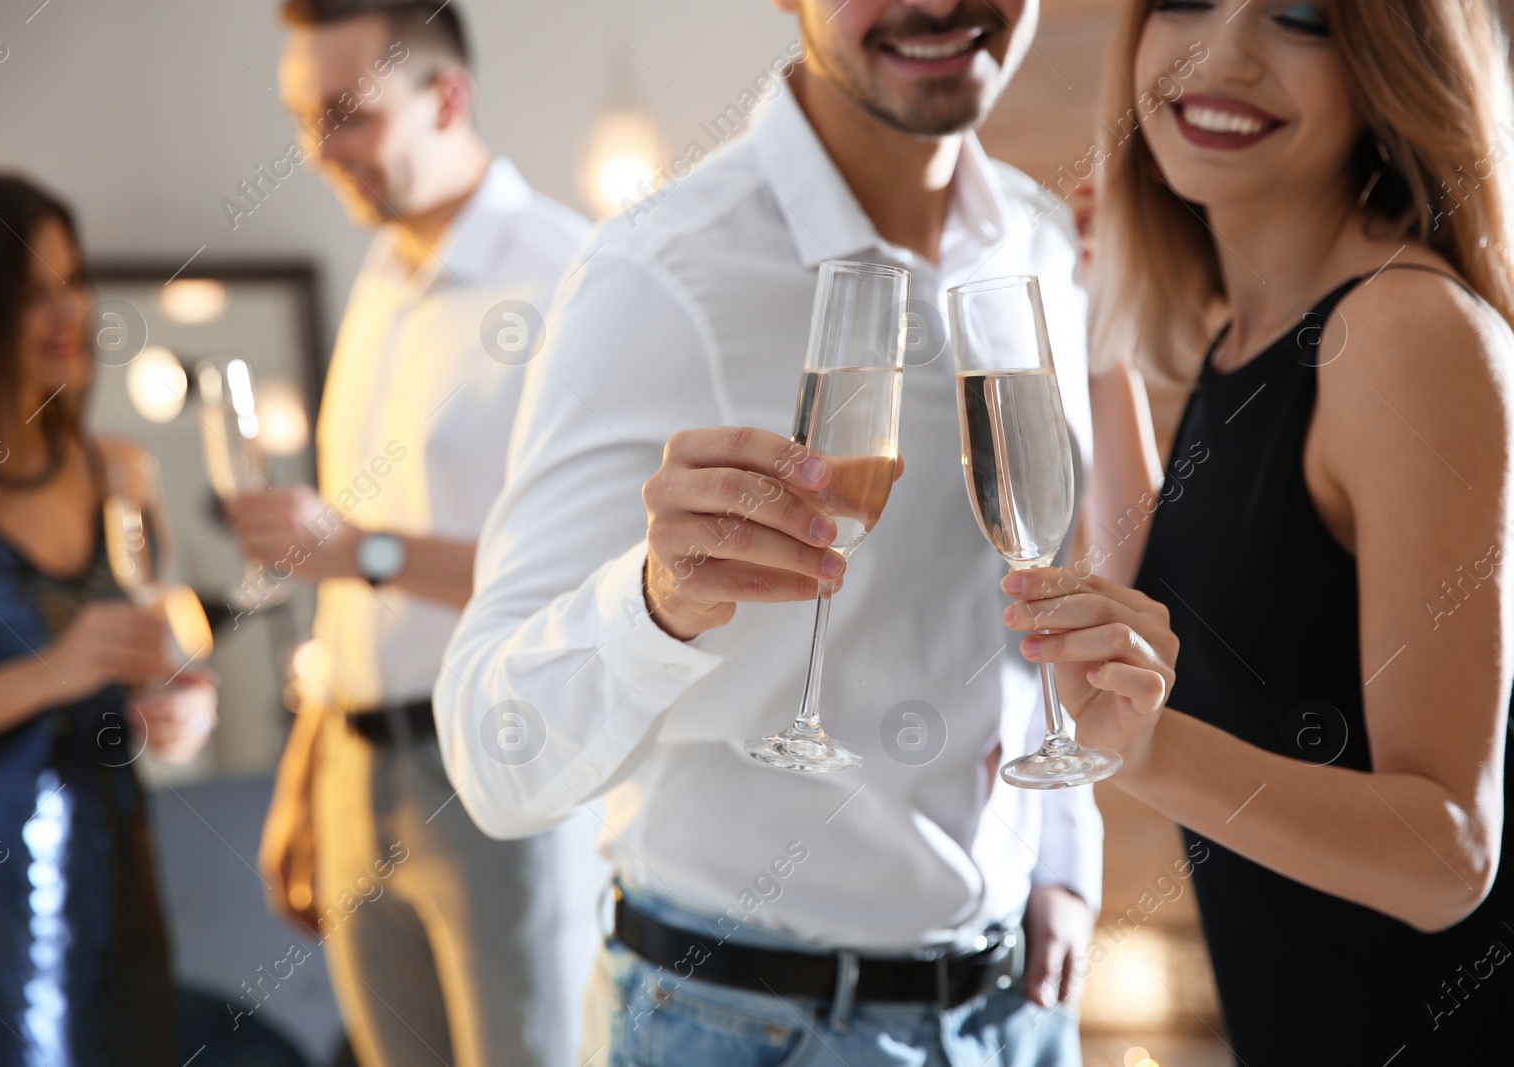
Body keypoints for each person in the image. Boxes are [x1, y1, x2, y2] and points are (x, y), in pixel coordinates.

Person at [432, 0, 1171, 1061]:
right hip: (739, 1022)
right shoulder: (658, 274)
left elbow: (1029, 601)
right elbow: (491, 757)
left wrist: (1059, 849)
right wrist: (657, 599)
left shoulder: (1041, 244)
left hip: (1013, 1008)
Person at [1002, 0, 1514, 1062]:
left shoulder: (1401, 333)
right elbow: (1156, 585)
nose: (1218, 53)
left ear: (1387, 66)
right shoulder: (1254, 334)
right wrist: (1098, 334)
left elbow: (1448, 856)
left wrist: (1146, 748)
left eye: (1298, 17)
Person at [232, 3, 606, 1066]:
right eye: (304, 120)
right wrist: (308, 775)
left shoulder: (567, 274)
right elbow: (348, 582)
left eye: (347, 115)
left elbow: (590, 573)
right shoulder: (382, 281)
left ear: (447, 97)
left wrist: (361, 551)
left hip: (499, 765)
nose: (319, 153)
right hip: (357, 770)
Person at [0, 172, 218, 1066]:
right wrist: (52, 671)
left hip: (109, 894)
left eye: (73, 280)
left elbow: (162, 670)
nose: (68, 310)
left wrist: (181, 718)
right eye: (29, 292)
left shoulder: (118, 471)